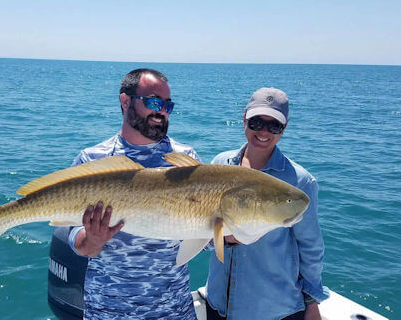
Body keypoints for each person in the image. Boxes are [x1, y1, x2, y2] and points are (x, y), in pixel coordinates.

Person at [67, 68, 201, 320]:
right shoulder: (92, 160)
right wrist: (92, 240)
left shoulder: (187, 161)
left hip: (173, 312)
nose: (161, 111)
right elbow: (75, 238)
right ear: (125, 100)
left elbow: (200, 238)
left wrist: (227, 233)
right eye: (153, 102)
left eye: (167, 106)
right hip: (107, 313)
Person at [205, 87, 329, 320]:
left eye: (274, 126)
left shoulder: (300, 181)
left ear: (284, 128)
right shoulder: (220, 164)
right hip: (218, 304)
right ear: (244, 119)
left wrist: (311, 303)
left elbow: (311, 248)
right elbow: (202, 226)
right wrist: (219, 238)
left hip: (273, 311)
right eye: (256, 122)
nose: (263, 131)